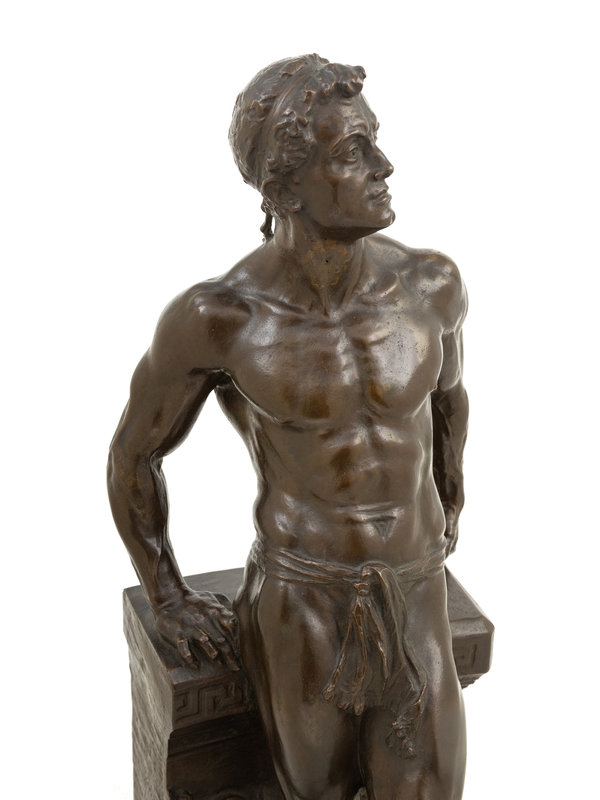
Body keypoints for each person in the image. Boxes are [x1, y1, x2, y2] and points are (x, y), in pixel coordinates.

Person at [108, 54, 469, 800]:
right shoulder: (222, 317)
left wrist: (452, 499)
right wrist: (167, 595)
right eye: (353, 152)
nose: (385, 166)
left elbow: (450, 401)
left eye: (374, 140)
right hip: (302, 595)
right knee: (312, 792)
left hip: (414, 581)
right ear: (284, 187)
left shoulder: (431, 284)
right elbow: (133, 458)